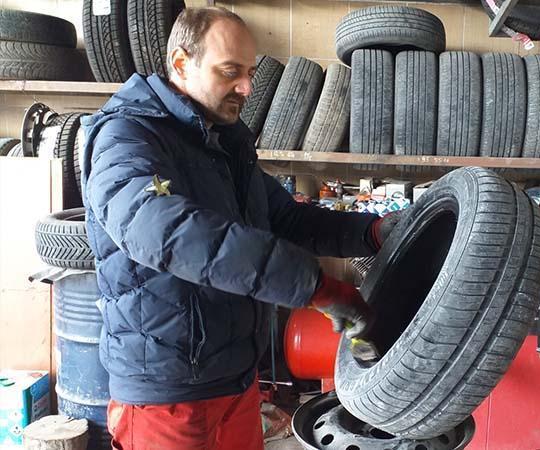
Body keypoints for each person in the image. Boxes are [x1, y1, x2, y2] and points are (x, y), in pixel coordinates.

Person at [80, 6, 399, 449]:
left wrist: (373, 232)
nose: (247, 87)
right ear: (181, 63)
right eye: (230, 72)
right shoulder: (127, 137)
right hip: (167, 394)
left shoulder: (222, 144)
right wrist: (316, 287)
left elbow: (287, 218)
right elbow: (162, 231)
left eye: (249, 73)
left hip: (237, 380)